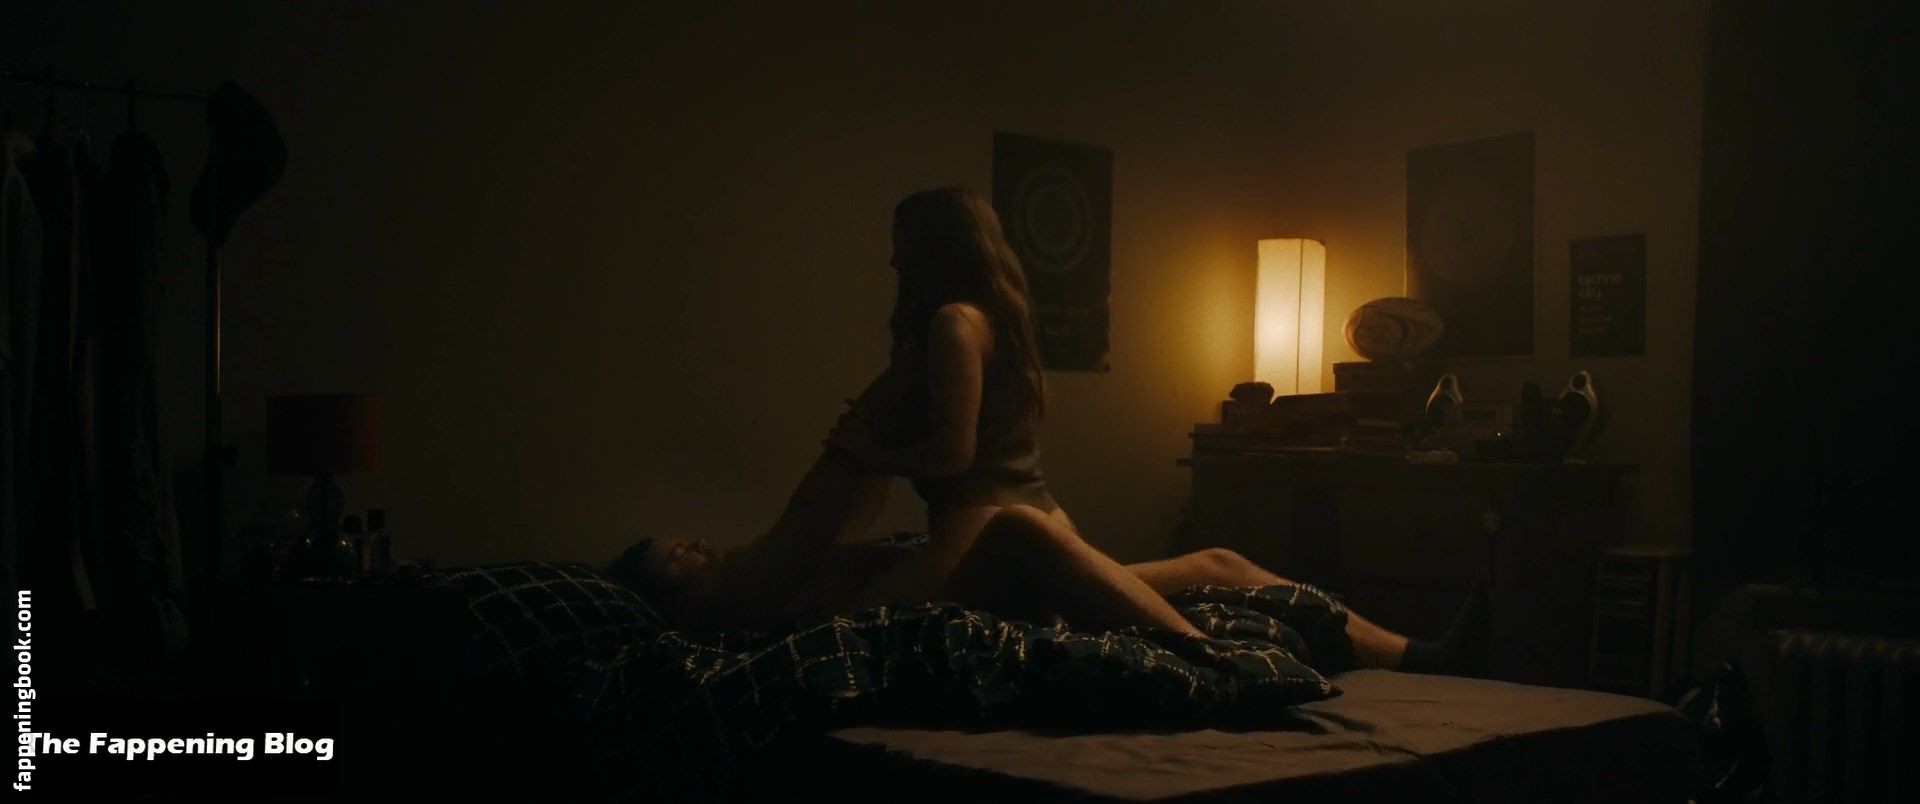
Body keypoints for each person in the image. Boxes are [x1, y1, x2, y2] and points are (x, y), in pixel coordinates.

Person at [609, 449, 1490, 676]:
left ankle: (1423, 657)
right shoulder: (709, 615)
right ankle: (1224, 671)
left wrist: (881, 439)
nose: (694, 547)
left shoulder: (766, 563)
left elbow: (859, 499)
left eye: (686, 539)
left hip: (946, 574)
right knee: (1019, 530)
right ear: (665, 595)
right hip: (932, 604)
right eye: (674, 557)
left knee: (1219, 559)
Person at [823, 186, 1076, 611]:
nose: (893, 261)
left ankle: (1201, 569)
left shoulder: (954, 322)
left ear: (934, 250)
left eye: (902, 246)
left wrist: (872, 456)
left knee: (857, 625)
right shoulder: (993, 318)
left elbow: (954, 455)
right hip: (1039, 516)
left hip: (983, 526)